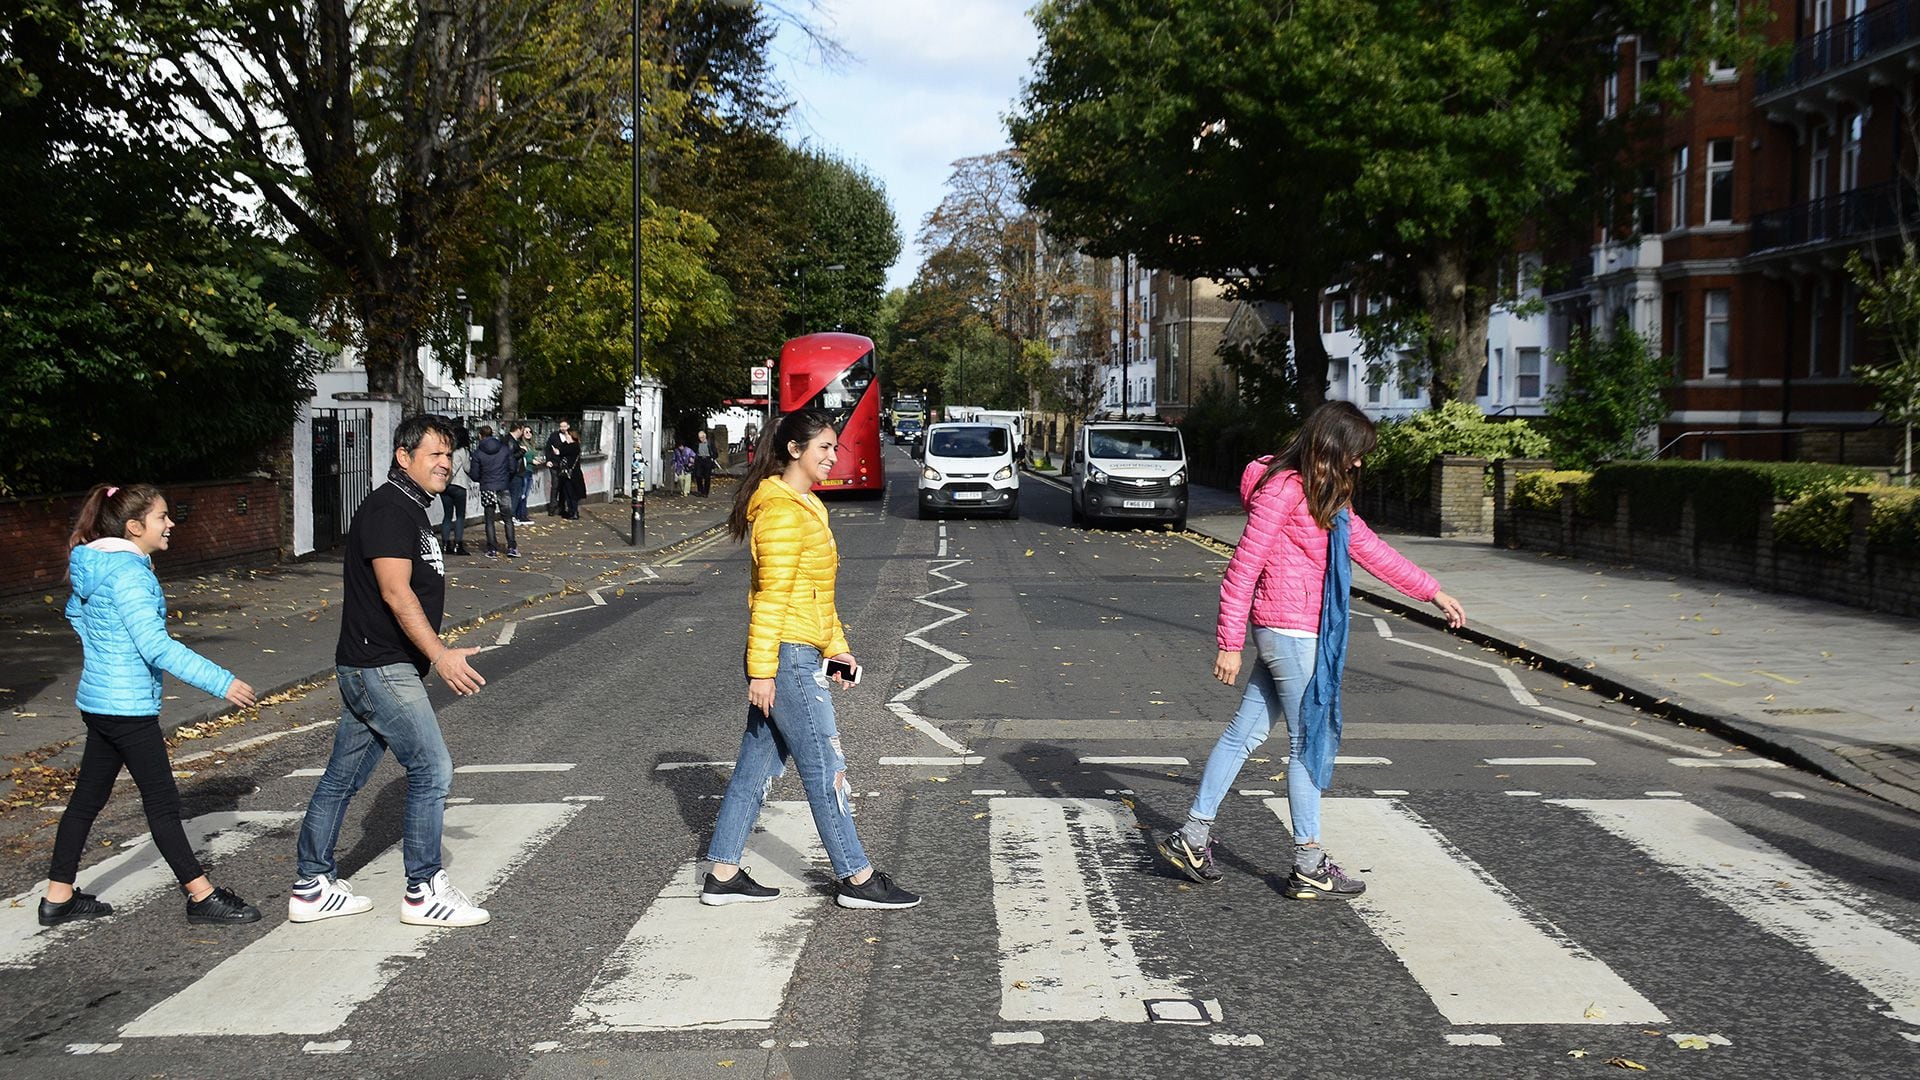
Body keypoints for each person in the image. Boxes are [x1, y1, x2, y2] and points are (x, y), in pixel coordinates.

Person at [1155, 402, 1466, 899]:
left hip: (1292, 631)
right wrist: (1228, 644)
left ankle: (1193, 836)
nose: (1360, 463)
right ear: (1332, 446)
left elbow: (1371, 550)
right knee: (1308, 743)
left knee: (1243, 734)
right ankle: (1308, 861)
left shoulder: (1325, 496)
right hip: (1291, 631)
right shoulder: (1283, 490)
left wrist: (1432, 591)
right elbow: (1243, 567)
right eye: (1357, 453)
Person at [701, 410, 921, 911]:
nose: (832, 456)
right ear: (795, 450)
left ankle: (723, 873)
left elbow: (817, 594)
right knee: (826, 767)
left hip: (797, 650)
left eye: (835, 447)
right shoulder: (781, 511)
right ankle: (857, 878)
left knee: (754, 770)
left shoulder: (804, 505)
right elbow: (771, 597)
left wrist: (836, 646)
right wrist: (761, 671)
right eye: (824, 446)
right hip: (786, 658)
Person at [290, 413, 491, 927]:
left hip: (372, 664)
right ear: (404, 457)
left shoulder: (412, 509)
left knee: (342, 778)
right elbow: (396, 593)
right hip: (380, 666)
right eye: (435, 455)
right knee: (432, 768)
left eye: (449, 455)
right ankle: (424, 890)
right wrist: (439, 654)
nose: (446, 464)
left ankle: (311, 886)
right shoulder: (389, 511)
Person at [42, 483, 263, 927]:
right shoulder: (129, 573)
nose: (170, 523)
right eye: (162, 517)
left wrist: (106, 658)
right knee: (162, 804)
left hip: (99, 699)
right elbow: (155, 646)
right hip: (127, 707)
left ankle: (58, 897)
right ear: (133, 526)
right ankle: (201, 896)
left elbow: (76, 615)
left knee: (88, 799)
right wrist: (222, 682)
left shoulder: (95, 565)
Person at [469, 423, 519, 558]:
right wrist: (506, 479)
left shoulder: (478, 453)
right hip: (503, 486)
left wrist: (483, 479)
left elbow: (474, 475)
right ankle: (512, 547)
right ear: (492, 434)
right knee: (508, 518)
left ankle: (492, 548)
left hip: (487, 487)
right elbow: (513, 468)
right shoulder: (504, 449)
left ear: (480, 436)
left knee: (489, 519)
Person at [441, 426, 471, 555]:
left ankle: (445, 544)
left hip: (445, 486)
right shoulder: (462, 451)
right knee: (459, 516)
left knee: (447, 516)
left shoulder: (447, 450)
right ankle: (458, 545)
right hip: (459, 485)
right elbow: (467, 468)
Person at [510, 422, 537, 526]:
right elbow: (524, 457)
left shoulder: (531, 445)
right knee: (522, 494)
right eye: (526, 432)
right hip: (524, 471)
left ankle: (522, 515)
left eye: (530, 432)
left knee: (525, 494)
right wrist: (532, 461)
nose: (529, 433)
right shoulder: (521, 444)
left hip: (530, 470)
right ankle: (519, 515)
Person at [692, 429, 716, 497]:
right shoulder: (697, 443)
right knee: (698, 475)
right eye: (699, 437)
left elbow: (715, 453)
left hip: (707, 460)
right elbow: (694, 450)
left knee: (707, 477)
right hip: (699, 460)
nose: (701, 439)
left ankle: (705, 492)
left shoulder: (710, 443)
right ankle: (700, 490)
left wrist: (712, 458)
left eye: (702, 437)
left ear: (704, 436)